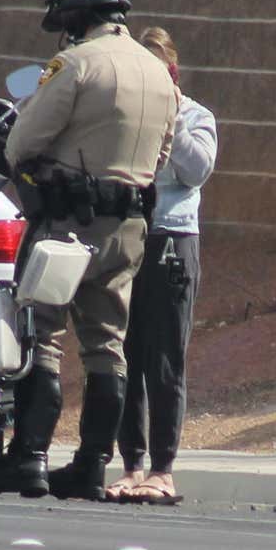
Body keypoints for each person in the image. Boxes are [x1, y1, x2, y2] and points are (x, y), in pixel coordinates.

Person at [0, 0, 179, 500]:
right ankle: (92, 466)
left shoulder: (74, 65)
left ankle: (28, 458)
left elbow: (20, 145)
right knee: (106, 346)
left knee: (42, 335)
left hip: (66, 226)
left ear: (76, 14)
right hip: (128, 230)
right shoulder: (157, 75)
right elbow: (161, 157)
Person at [104, 27, 217, 505]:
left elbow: (197, 170)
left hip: (173, 240)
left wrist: (168, 112)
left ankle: (163, 469)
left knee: (165, 358)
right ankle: (130, 464)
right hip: (128, 237)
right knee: (123, 354)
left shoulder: (196, 115)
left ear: (171, 72)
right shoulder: (124, 116)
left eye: (153, 71)